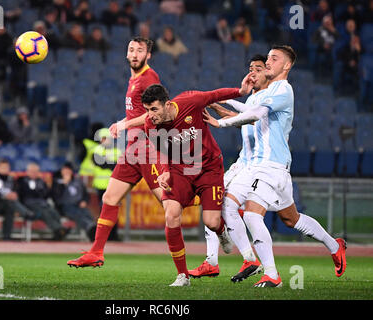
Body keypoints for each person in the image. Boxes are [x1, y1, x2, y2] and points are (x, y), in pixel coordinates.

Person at [203, 45, 347, 287]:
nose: (268, 61)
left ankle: (271, 274)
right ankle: (335, 245)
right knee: (290, 219)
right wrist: (221, 103)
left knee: (250, 214)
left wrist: (220, 123)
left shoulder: (284, 89)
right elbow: (249, 111)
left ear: (287, 65)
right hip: (260, 167)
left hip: (272, 167)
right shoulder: (263, 94)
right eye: (268, 57)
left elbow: (255, 114)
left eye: (274, 58)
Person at [140, 78, 253, 286]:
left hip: (209, 168)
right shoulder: (150, 125)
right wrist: (165, 171)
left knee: (211, 221)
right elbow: (161, 150)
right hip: (180, 170)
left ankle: (220, 231)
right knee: (171, 215)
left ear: (167, 103)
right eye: (147, 110)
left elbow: (215, 94)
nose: (150, 115)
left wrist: (240, 91)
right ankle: (182, 275)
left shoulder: (189, 102)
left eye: (154, 109)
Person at [67, 37, 163, 268]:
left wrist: (124, 125)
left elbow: (156, 112)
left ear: (148, 55)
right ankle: (96, 252)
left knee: (169, 203)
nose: (135, 54)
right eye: (131, 49)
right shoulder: (134, 79)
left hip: (147, 148)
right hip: (133, 149)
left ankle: (217, 222)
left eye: (140, 50)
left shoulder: (149, 77)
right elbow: (139, 113)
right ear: (126, 53)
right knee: (109, 198)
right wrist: (123, 122)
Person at [188, 54, 269, 280]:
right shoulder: (253, 99)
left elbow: (247, 118)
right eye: (250, 68)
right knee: (214, 202)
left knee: (289, 217)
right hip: (244, 162)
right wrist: (215, 104)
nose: (253, 71)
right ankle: (215, 261)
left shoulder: (270, 99)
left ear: (268, 72)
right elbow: (241, 115)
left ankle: (252, 261)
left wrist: (218, 111)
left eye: (259, 68)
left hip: (259, 167)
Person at [16, 162, 70, 241]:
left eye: (36, 171)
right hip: (29, 204)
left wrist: (48, 186)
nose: (34, 173)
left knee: (54, 212)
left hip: (42, 203)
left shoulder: (41, 182)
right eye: (32, 171)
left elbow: (46, 194)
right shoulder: (22, 181)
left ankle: (58, 233)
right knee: (44, 213)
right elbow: (20, 194)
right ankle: (59, 229)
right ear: (27, 172)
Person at [0, 158, 35, 240]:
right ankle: (26, 213)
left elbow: (16, 192)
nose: (5, 170)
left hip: (7, 205)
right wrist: (5, 196)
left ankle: (7, 237)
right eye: (3, 167)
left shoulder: (11, 179)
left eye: (7, 167)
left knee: (10, 207)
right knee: (9, 203)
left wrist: (14, 195)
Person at [51, 162, 96, 241]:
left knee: (87, 214)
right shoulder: (57, 182)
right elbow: (55, 197)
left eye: (68, 170)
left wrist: (84, 201)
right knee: (77, 214)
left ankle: (94, 228)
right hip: (65, 207)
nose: (66, 172)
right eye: (64, 170)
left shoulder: (78, 181)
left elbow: (85, 194)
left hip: (78, 204)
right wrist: (64, 185)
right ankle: (90, 229)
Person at [91, 128, 121, 241]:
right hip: (101, 185)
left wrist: (108, 163)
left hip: (114, 186)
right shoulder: (97, 150)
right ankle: (104, 236)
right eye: (104, 138)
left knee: (113, 211)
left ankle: (114, 235)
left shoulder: (117, 151)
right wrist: (111, 164)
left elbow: (117, 165)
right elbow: (102, 164)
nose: (106, 141)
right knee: (103, 212)